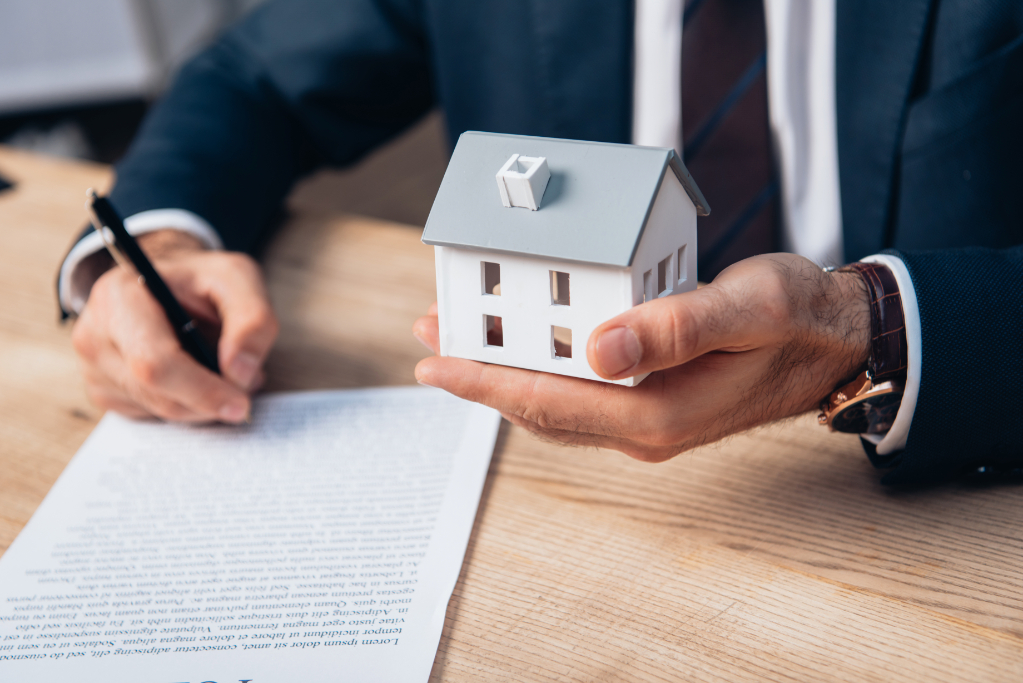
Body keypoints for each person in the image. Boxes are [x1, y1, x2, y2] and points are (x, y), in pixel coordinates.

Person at [58, 0, 1023, 484]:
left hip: (925, 493)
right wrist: (158, 244)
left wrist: (875, 329)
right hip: (545, 483)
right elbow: (252, 80)